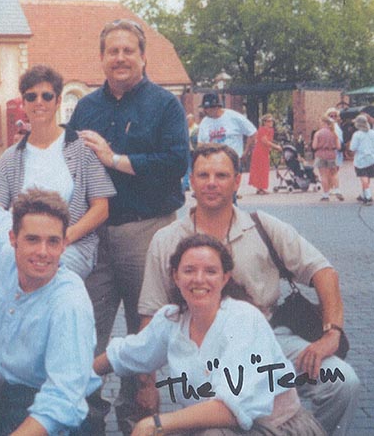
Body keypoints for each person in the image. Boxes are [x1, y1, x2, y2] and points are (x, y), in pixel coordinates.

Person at [138, 143, 360, 436]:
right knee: (217, 429)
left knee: (343, 381)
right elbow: (150, 313)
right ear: (191, 181)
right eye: (203, 175)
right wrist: (147, 384)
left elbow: (323, 271)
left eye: (221, 175)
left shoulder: (262, 226)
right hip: (204, 352)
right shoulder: (166, 240)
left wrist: (332, 333)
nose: (212, 183)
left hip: (270, 342)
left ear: (237, 180)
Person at [68, 19, 189, 432]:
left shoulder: (164, 105)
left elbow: (176, 164)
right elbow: (68, 166)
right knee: (87, 328)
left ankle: (137, 418)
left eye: (128, 50)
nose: (120, 58)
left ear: (142, 56)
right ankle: (87, 417)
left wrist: (115, 160)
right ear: (101, 58)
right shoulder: (86, 107)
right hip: (96, 235)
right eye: (112, 51)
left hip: (148, 231)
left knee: (148, 329)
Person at [96, 235, 325, 436]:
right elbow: (127, 354)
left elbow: (231, 409)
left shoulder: (243, 319)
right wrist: (81, 373)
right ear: (175, 276)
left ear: (225, 278)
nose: (199, 279)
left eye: (210, 271)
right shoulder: (171, 319)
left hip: (273, 428)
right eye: (189, 270)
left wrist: (156, 423)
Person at [0, 189, 100, 434]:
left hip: (50, 413)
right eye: (32, 239)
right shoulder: (9, 257)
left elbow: (62, 400)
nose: (42, 251)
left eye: (53, 241)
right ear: (13, 239)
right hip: (2, 396)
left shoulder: (69, 302)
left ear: (64, 244)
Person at [0, 65, 116, 282]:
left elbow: (101, 208)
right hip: (24, 250)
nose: (39, 102)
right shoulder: (10, 158)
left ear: (58, 101)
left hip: (71, 247)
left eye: (47, 96)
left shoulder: (81, 148)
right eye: (31, 97)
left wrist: (63, 238)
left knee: (46, 276)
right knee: (14, 270)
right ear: (24, 102)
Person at [197, 93, 257, 165]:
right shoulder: (204, 122)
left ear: (216, 107)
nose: (205, 111)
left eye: (207, 108)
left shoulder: (233, 117)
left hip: (232, 161)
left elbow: (252, 132)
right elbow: (200, 144)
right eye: (204, 108)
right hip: (212, 162)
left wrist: (246, 153)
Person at [248, 113, 282, 194]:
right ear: (264, 122)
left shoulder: (271, 130)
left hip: (265, 152)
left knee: (264, 169)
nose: (271, 122)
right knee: (260, 169)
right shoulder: (262, 129)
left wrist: (272, 148)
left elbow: (269, 141)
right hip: (259, 152)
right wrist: (276, 147)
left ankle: (261, 188)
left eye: (272, 121)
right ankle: (260, 188)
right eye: (269, 121)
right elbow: (264, 141)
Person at [312, 116, 342, 202]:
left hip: (321, 154)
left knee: (323, 175)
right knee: (334, 173)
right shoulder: (334, 133)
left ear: (324, 123)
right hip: (331, 154)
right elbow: (339, 147)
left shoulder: (318, 133)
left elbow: (314, 146)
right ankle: (337, 190)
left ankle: (326, 195)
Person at [349, 114, 374, 205]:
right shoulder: (372, 133)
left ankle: (368, 196)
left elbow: (353, 148)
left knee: (363, 177)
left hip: (361, 159)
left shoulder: (357, 135)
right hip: (371, 158)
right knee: (368, 177)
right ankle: (363, 194)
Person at [325, 107, 345, 201]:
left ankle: (331, 187)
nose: (333, 117)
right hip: (332, 150)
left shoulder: (337, 125)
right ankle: (330, 188)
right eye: (331, 115)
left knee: (335, 169)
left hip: (338, 150)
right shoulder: (328, 126)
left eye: (335, 115)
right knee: (331, 170)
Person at [182, 113, 199, 192]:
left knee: (193, 168)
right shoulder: (186, 128)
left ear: (192, 120)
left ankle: (191, 185)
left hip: (194, 151)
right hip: (187, 151)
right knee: (187, 167)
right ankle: (186, 185)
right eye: (186, 119)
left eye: (188, 119)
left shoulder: (196, 129)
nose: (187, 121)